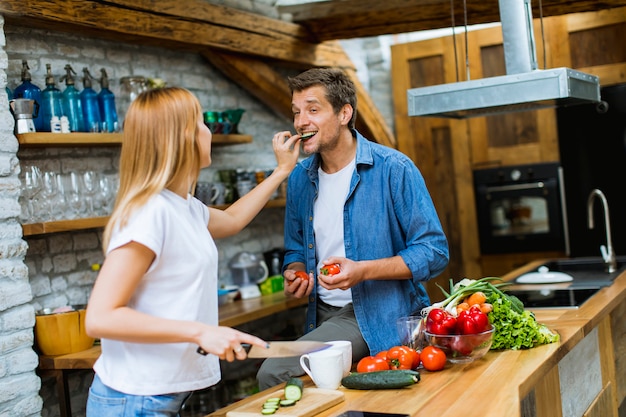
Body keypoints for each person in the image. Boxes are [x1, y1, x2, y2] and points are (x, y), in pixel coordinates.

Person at [85, 86, 301, 416]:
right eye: (201, 122)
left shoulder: (183, 206)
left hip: (158, 397)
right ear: (183, 136)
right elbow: (100, 318)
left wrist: (282, 172)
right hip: (136, 400)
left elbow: (231, 219)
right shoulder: (149, 213)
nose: (208, 131)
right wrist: (201, 332)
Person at [256, 68, 449, 390]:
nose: (301, 121)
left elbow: (434, 252)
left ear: (344, 113)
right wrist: (296, 270)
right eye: (296, 112)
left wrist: (362, 271)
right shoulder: (300, 177)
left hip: (376, 313)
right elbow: (295, 246)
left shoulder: (394, 169)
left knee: (272, 372)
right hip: (320, 313)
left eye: (313, 110)